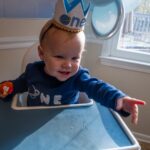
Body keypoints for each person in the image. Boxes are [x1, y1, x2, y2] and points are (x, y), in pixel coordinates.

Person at [0, 19, 145, 125]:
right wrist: (7, 88)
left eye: (75, 58)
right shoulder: (33, 71)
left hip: (67, 122)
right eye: (59, 56)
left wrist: (118, 99)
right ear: (41, 53)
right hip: (33, 120)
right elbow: (19, 84)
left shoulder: (78, 77)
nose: (68, 65)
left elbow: (97, 87)